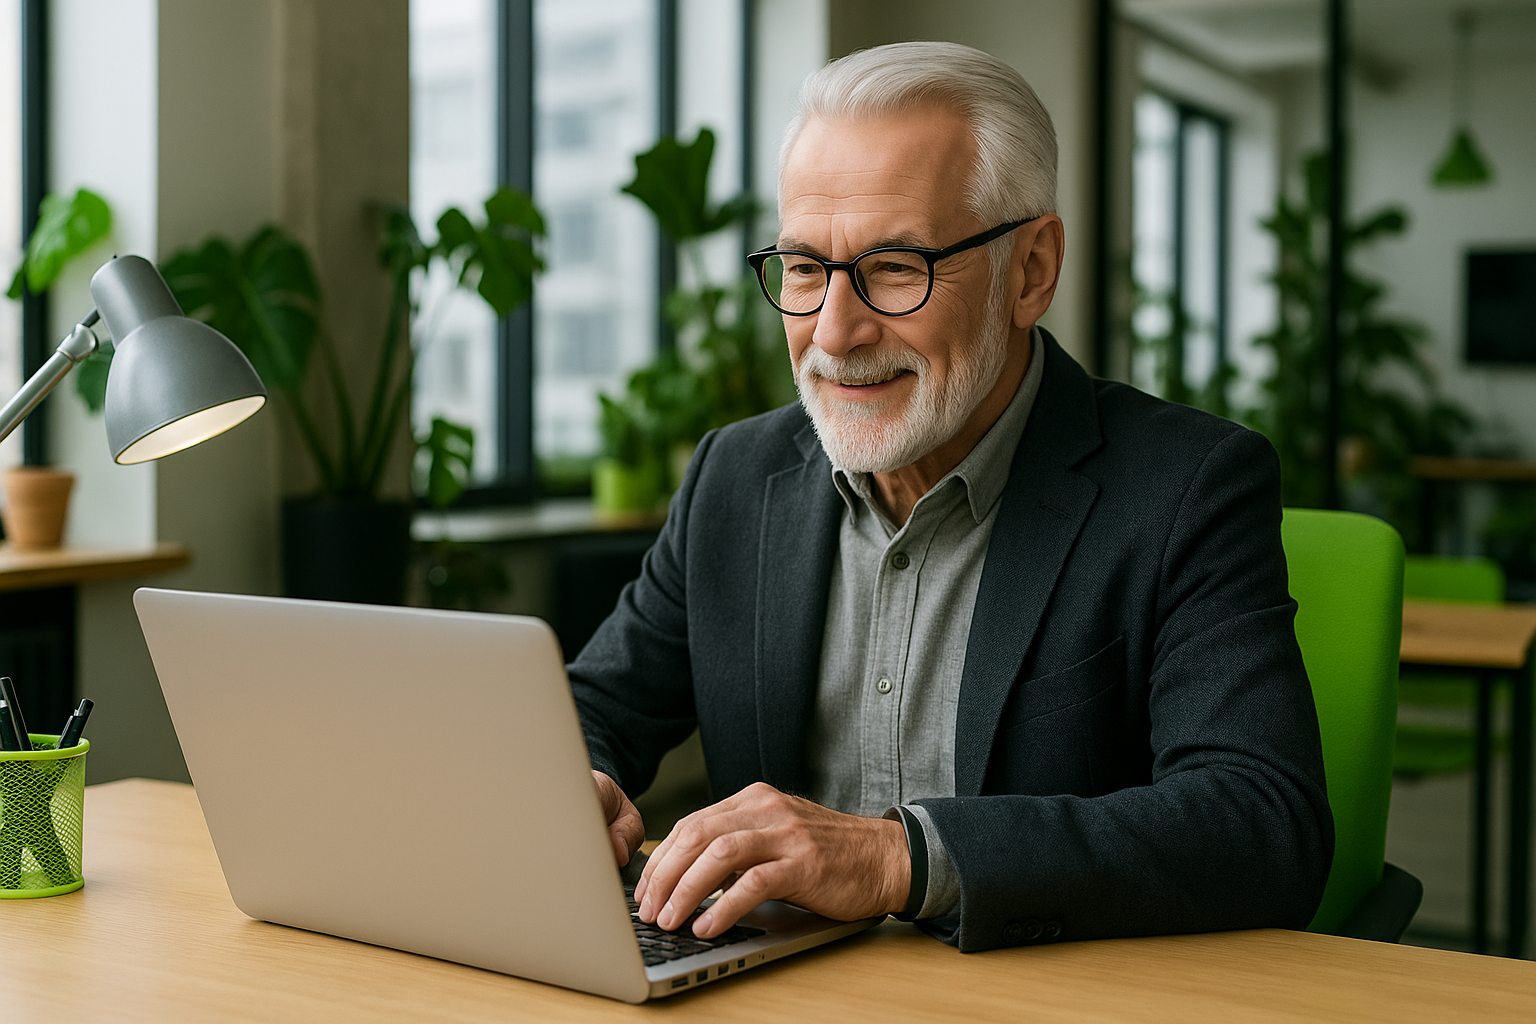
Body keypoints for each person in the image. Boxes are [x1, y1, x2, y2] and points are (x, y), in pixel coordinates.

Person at [569, 40, 1332, 953]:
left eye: (896, 267)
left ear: (1031, 271)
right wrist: (574, 780)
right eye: (804, 269)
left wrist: (901, 859)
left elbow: (1261, 822)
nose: (835, 334)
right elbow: (593, 707)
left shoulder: (1187, 487)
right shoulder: (734, 478)